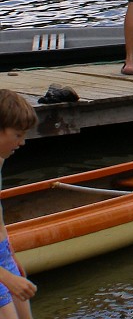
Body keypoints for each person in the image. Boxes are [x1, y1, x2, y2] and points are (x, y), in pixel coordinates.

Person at [0, 89, 39, 319]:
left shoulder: (0, 160)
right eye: (17, 135)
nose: (22, 142)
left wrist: (10, 255)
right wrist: (7, 278)